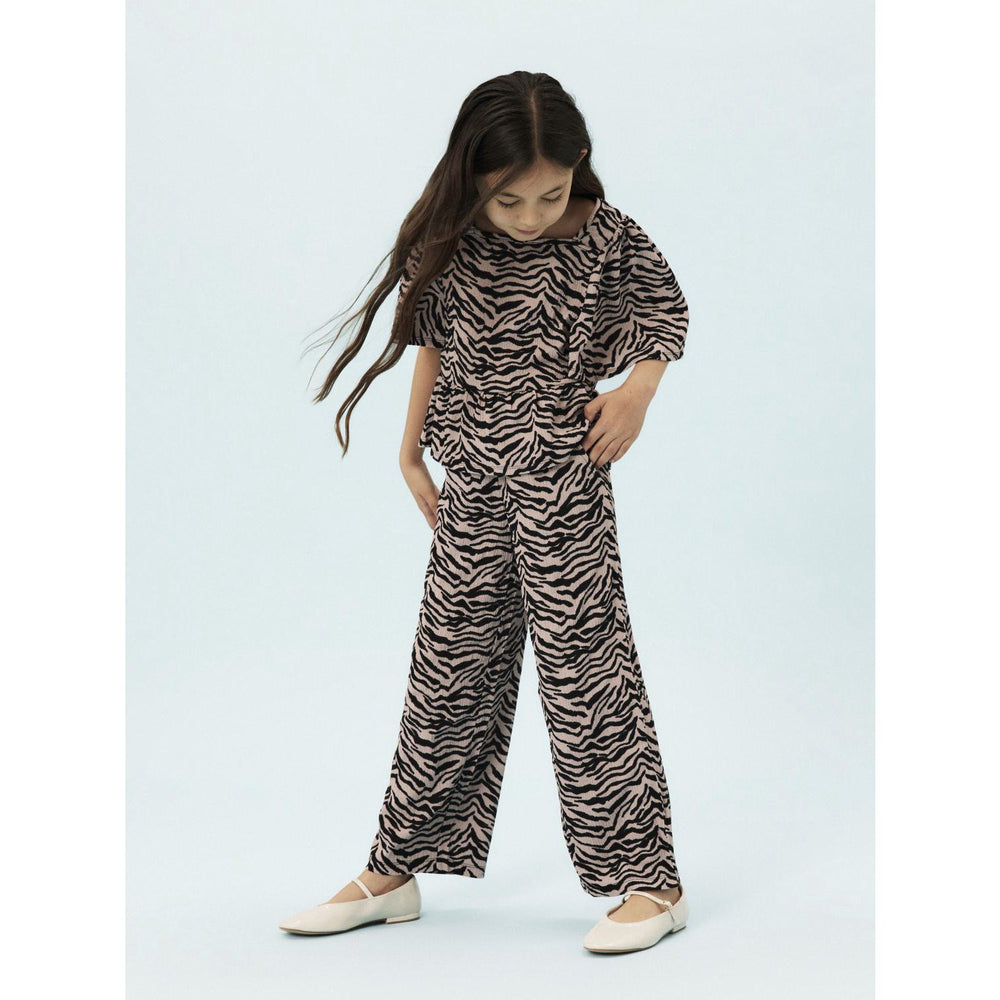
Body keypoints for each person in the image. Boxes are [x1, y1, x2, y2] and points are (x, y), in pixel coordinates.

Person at [279, 70, 691, 955]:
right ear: (472, 176)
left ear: (579, 164)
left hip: (564, 476)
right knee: (448, 667)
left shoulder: (607, 237)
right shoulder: (452, 239)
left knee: (587, 675)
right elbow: (431, 340)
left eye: (550, 193)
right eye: (509, 199)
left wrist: (636, 394)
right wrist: (409, 450)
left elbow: (666, 316)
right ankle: (396, 869)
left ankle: (653, 883)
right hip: (470, 478)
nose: (531, 216)